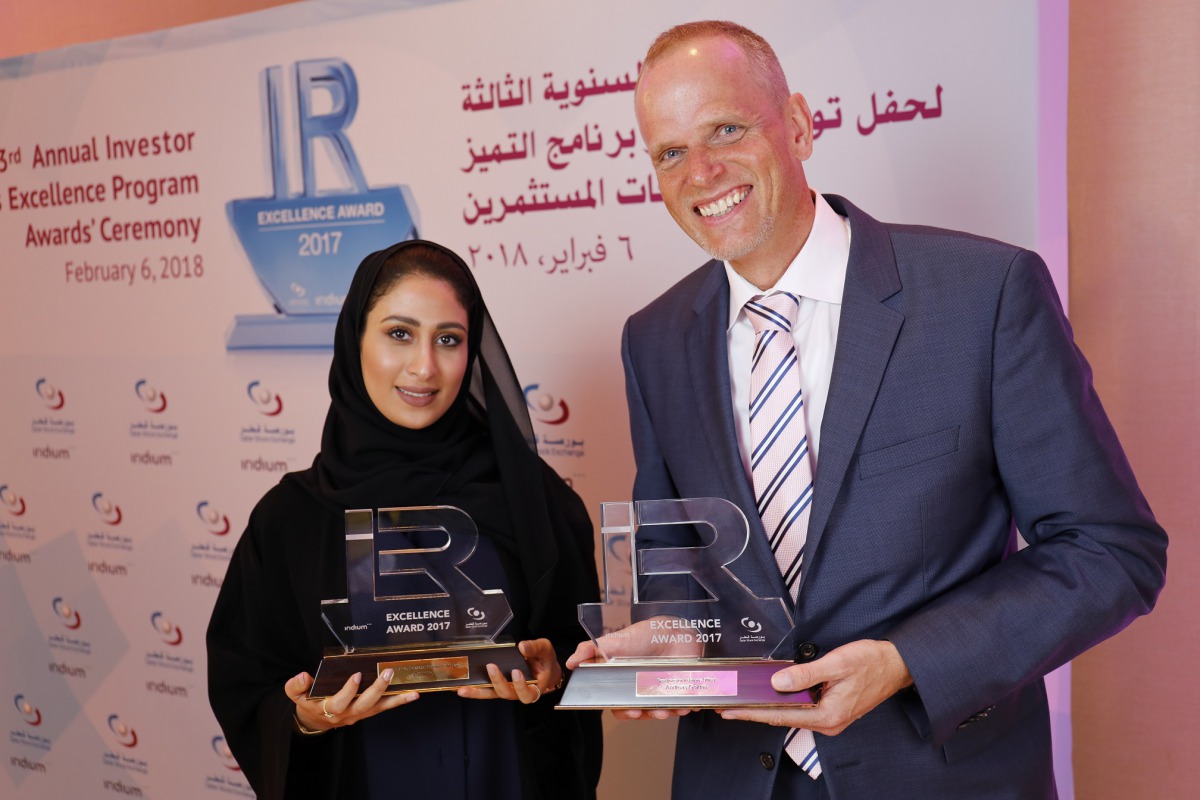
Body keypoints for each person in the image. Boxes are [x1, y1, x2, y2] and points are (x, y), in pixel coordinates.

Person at [569, 20, 1167, 800]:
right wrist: (667, 642)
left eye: (726, 129)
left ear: (802, 125)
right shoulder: (654, 340)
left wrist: (905, 661)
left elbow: (1110, 550)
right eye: (670, 152)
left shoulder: (983, 294)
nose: (702, 171)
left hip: (939, 772)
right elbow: (684, 575)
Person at [208, 240, 602, 800]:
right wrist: (307, 717)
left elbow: (578, 655)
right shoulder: (289, 519)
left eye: (448, 339)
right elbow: (245, 682)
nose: (425, 366)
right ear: (354, 341)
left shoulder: (535, 501)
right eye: (399, 333)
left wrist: (554, 672)